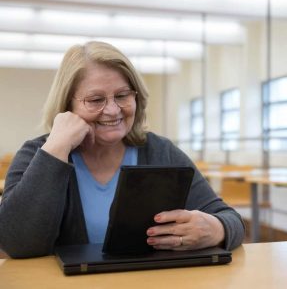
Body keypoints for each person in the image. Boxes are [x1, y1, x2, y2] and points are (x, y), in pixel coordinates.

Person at [0, 41, 245, 258]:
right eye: (96, 100)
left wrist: (216, 229)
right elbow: (16, 243)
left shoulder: (160, 151)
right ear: (66, 106)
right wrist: (56, 147)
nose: (113, 110)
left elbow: (231, 220)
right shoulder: (37, 154)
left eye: (122, 95)